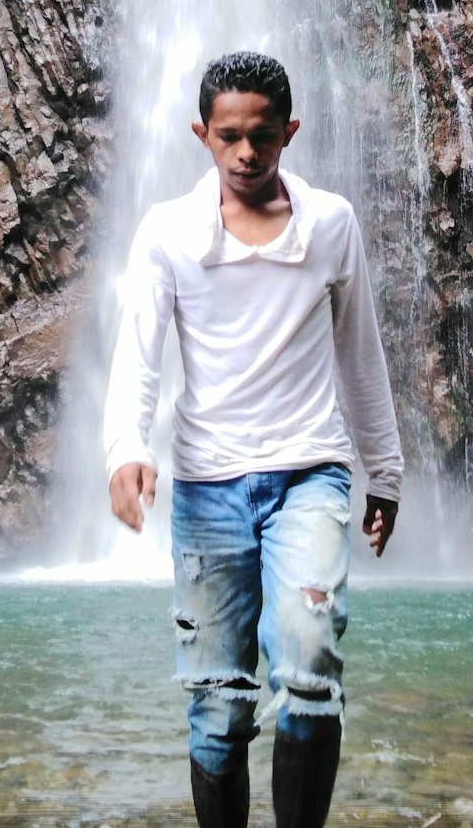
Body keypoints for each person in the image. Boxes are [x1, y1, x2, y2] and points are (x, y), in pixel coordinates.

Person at [103, 50, 403, 828]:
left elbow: (360, 354)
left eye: (263, 136)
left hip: (310, 476)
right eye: (229, 135)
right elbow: (139, 352)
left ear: (290, 131)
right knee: (217, 703)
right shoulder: (168, 230)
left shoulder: (332, 223)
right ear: (201, 134)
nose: (246, 152)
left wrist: (387, 471)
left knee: (308, 664)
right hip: (208, 489)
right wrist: (124, 450)